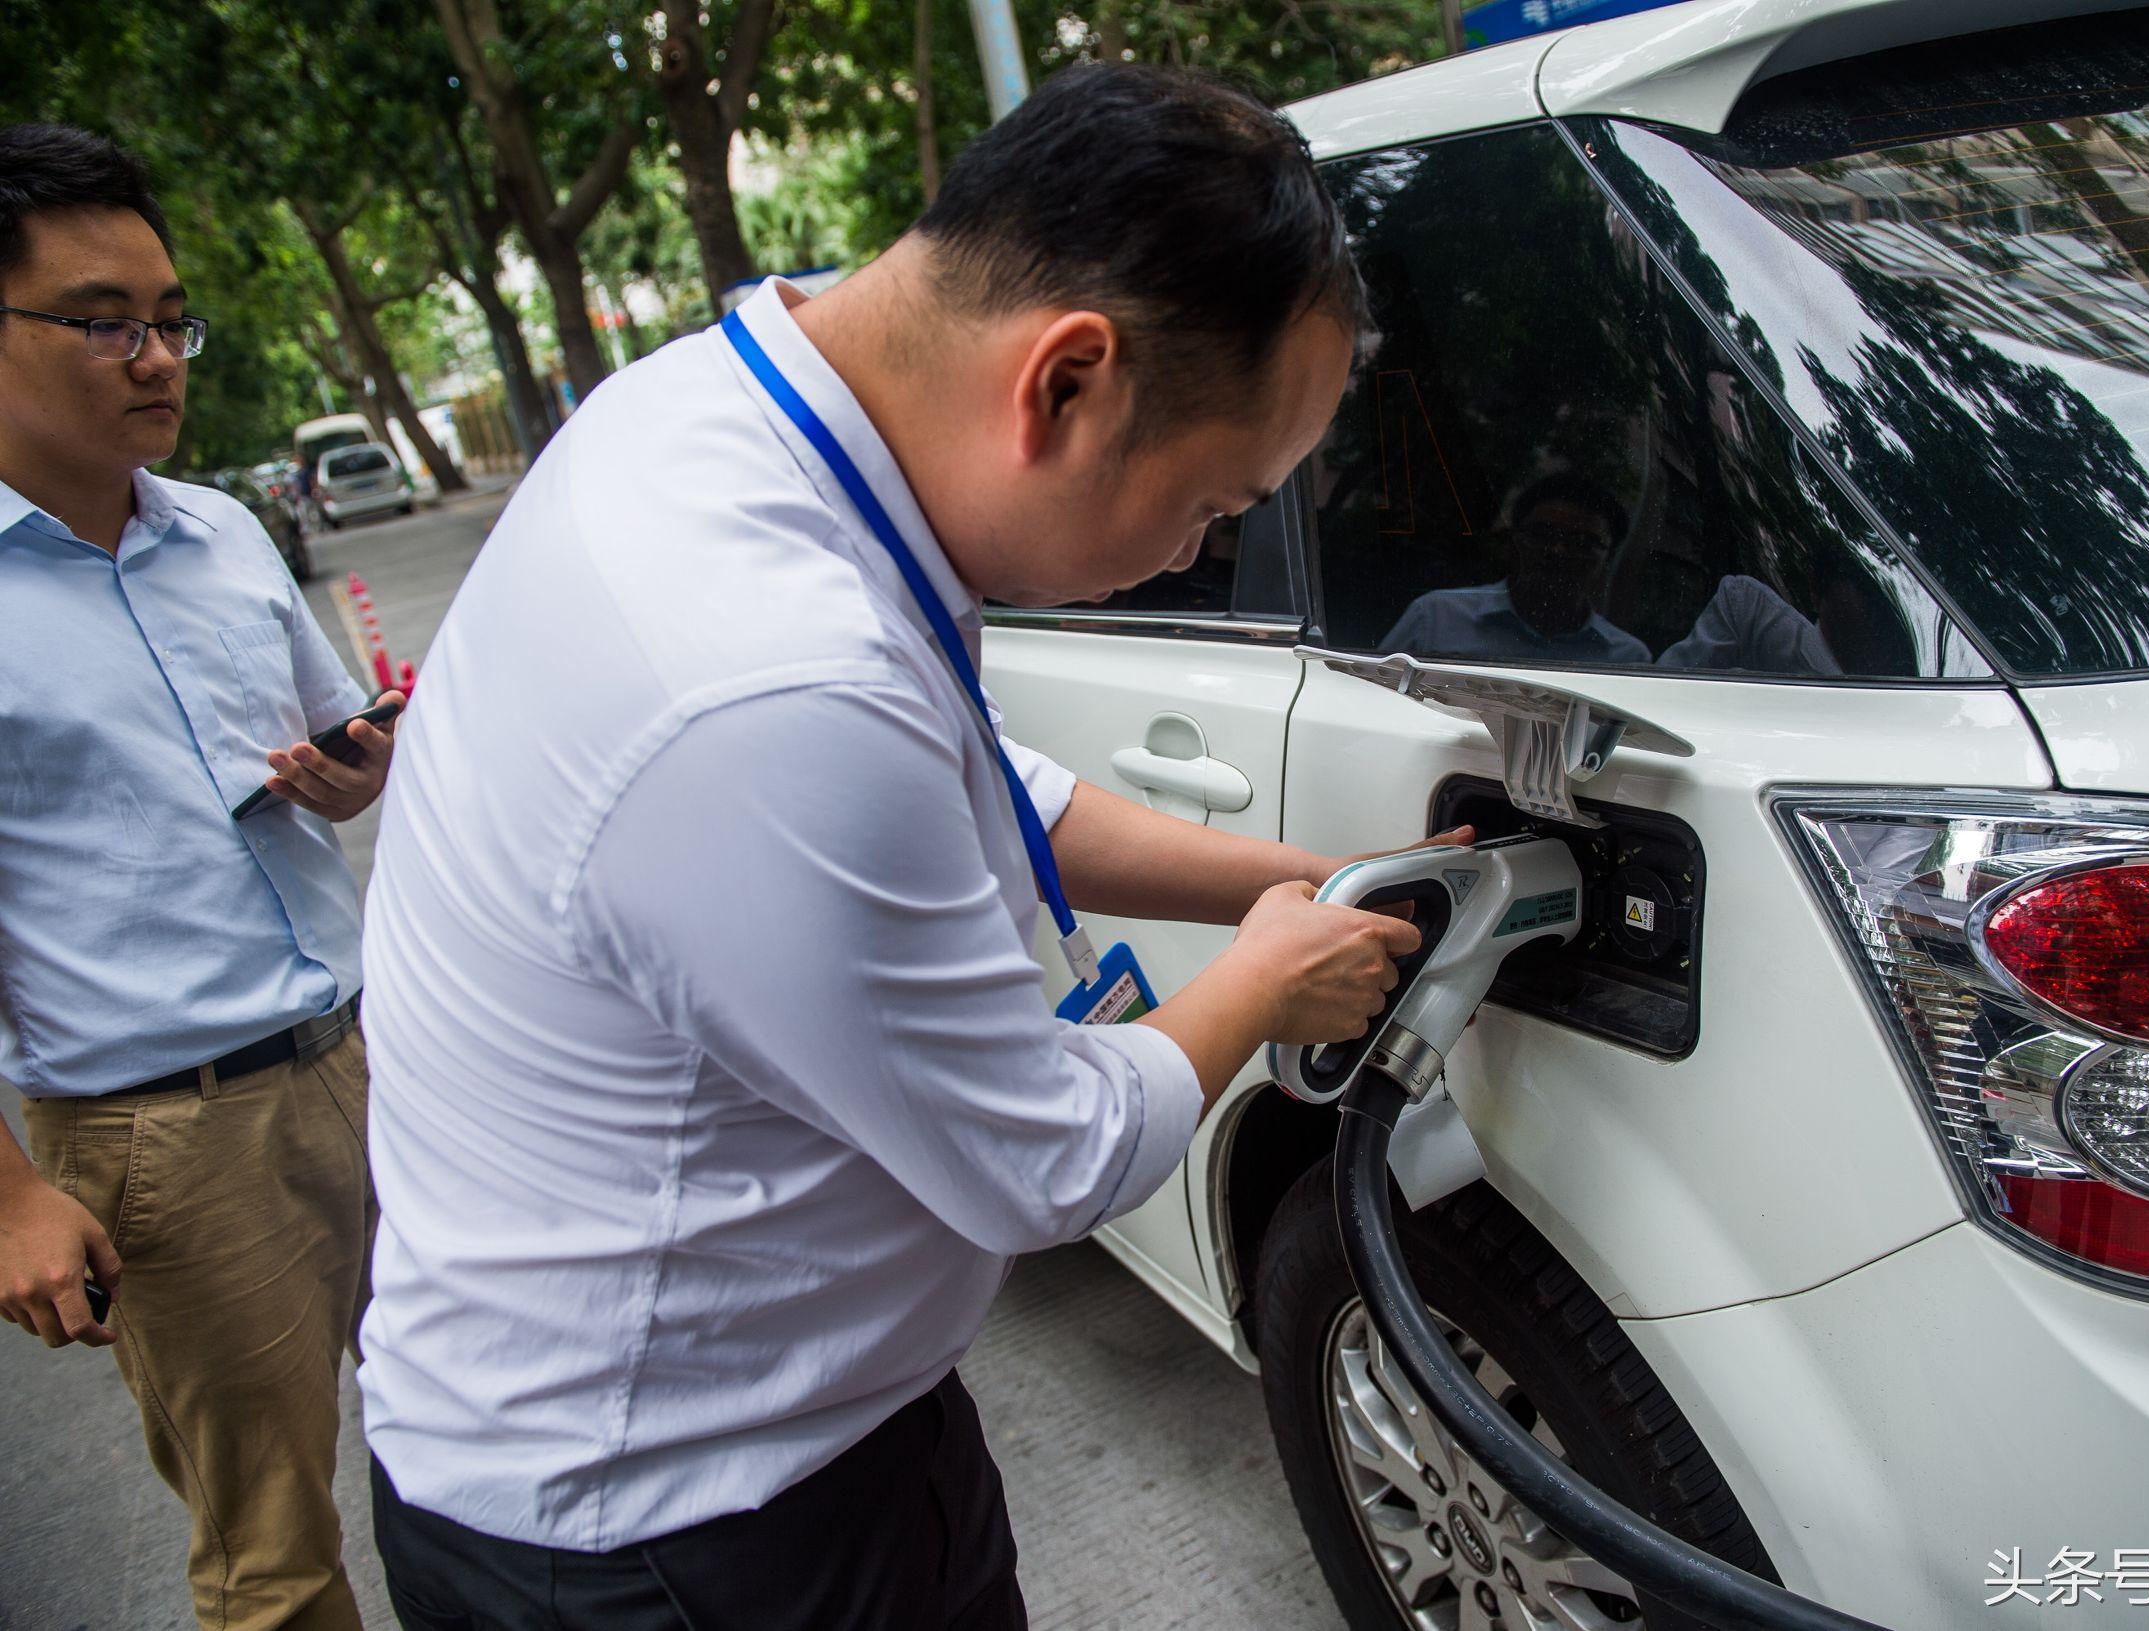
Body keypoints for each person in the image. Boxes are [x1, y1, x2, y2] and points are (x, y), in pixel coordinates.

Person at [358, 65, 1443, 1630]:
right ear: (1063, 383)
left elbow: (992, 785)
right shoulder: (763, 681)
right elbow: (1043, 1155)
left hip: (756, 1424)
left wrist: (1288, 874)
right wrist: (1261, 988)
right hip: (670, 1531)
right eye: (1215, 503)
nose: (1192, 553)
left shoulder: (723, 425)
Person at [0, 124, 404, 1631]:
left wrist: (353, 769)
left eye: (170, 317)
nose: (155, 354)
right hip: (163, 1140)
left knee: (484, 1436)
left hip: (366, 1060)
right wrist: (11, 1199)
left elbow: (330, 741)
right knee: (274, 1551)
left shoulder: (225, 534)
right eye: (103, 320)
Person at [1382, 472, 1653, 664]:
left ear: (1608, 558)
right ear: (1514, 541)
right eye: (1543, 533)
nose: (1558, 551)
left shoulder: (1628, 658)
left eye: (1583, 542)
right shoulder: (1435, 618)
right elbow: (1370, 699)